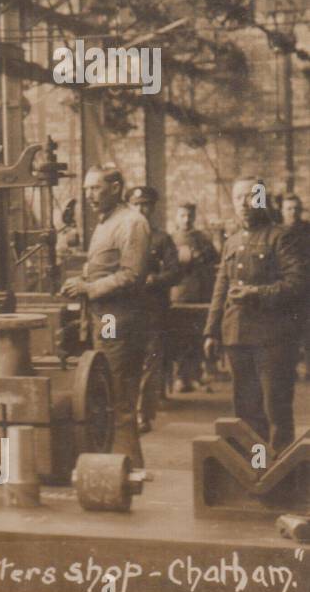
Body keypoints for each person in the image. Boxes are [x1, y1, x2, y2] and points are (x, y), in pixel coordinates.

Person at [204, 179, 308, 455]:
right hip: (237, 337)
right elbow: (220, 289)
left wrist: (256, 293)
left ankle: (281, 477)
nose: (245, 204)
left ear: (263, 201)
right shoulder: (233, 241)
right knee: (246, 412)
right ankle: (254, 472)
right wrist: (212, 332)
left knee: (276, 410)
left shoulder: (281, 237)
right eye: (239, 198)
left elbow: (298, 284)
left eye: (252, 197)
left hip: (272, 339)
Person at [60, 165, 149, 468]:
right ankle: (116, 465)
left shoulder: (132, 223)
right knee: (108, 389)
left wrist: (88, 287)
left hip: (118, 321)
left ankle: (129, 467)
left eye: (96, 188)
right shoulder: (105, 223)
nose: (89, 196)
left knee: (119, 392)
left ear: (115, 187)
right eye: (86, 189)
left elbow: (132, 275)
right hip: (104, 318)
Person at [128, 186, 181, 433]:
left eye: (145, 205)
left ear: (153, 208)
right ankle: (125, 412)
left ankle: (142, 414)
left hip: (153, 311)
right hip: (125, 310)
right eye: (136, 205)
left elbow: (175, 272)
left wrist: (154, 280)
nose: (141, 209)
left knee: (150, 363)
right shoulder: (123, 236)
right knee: (126, 360)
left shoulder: (162, 239)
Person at [170, 202, 219, 394]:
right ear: (176, 217)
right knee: (180, 337)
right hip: (179, 294)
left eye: (189, 215)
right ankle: (181, 377)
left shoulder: (203, 239)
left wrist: (202, 256)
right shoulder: (171, 239)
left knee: (199, 336)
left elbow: (215, 259)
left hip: (200, 293)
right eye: (182, 215)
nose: (186, 219)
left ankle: (197, 375)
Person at [281, 193, 310, 380]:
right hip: (286, 287)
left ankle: (307, 366)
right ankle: (287, 368)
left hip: (307, 287)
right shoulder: (277, 232)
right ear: (282, 211)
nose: (293, 212)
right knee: (285, 329)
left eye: (296, 209)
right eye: (289, 209)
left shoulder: (308, 230)